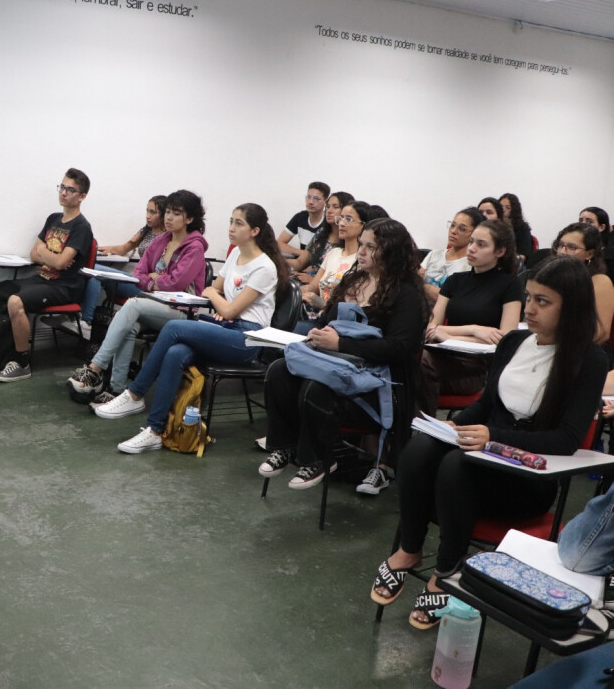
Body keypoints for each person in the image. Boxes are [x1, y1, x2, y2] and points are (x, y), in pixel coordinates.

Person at [370, 255, 606, 629]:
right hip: (484, 456)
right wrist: (447, 428)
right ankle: (409, 550)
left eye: (543, 302)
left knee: (456, 465)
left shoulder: (588, 360)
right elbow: (485, 404)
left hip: (528, 478)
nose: (530, 309)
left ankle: (446, 570)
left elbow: (566, 440)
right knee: (419, 450)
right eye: (529, 297)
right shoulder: (515, 341)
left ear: (572, 307)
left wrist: (493, 436)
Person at [92, 203, 286, 454]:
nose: (231, 227)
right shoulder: (236, 254)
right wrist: (219, 301)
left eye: (239, 223)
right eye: (231, 220)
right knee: (175, 354)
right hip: (225, 327)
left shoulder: (264, 267)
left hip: (246, 339)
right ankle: (154, 430)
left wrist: (219, 301)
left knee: (174, 327)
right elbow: (216, 290)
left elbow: (221, 302)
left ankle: (135, 394)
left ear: (255, 231)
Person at [260, 218, 425, 492]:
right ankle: (284, 447)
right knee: (279, 370)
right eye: (362, 244)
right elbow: (325, 320)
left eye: (371, 247)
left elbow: (400, 347)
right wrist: (319, 335)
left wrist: (340, 344)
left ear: (391, 251)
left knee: (317, 385)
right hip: (337, 365)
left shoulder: (406, 293)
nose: (361, 251)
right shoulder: (354, 279)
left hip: (378, 381)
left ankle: (319, 459)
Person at [67, 191, 208, 405]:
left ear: (189, 219)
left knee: (132, 305)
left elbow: (176, 284)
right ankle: (116, 390)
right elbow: (138, 274)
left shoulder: (195, 247)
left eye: (176, 213)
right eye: (168, 211)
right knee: (129, 326)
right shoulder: (160, 241)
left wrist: (154, 280)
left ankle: (95, 368)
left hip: (180, 311)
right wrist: (155, 280)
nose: (168, 217)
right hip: (153, 305)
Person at [0, 168, 95, 382]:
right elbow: (33, 254)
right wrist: (51, 257)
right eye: (62, 187)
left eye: (70, 190)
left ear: (82, 196)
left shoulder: (82, 227)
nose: (63, 193)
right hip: (39, 279)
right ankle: (5, 343)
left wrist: (46, 253)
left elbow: (60, 262)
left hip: (63, 287)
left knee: (15, 302)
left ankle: (21, 362)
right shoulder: (53, 219)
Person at [419, 220, 522, 416]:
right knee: (409, 358)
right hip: (441, 355)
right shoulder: (455, 281)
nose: (472, 248)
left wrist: (447, 334)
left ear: (500, 252)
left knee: (420, 362)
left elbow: (506, 338)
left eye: (481, 245)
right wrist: (474, 330)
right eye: (472, 242)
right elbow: (432, 329)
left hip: (475, 367)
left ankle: (422, 427)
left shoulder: (510, 285)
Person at [72, 195, 167, 336]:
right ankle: (83, 321)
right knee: (93, 273)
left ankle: (85, 321)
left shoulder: (168, 237)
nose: (148, 216)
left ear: (164, 214)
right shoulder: (146, 231)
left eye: (153, 212)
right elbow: (123, 249)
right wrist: (96, 249)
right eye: (147, 211)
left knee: (94, 270)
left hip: (147, 286)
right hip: (135, 279)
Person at [299, 200, 375, 318]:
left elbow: (354, 307)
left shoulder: (363, 260)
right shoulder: (333, 253)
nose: (341, 223)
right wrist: (303, 290)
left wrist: (323, 304)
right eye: (341, 218)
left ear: (363, 226)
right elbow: (314, 286)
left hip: (338, 321)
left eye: (348, 219)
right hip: (318, 317)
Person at [550, 222, 614, 345]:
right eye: (560, 245)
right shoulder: (552, 278)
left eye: (572, 247)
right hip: (550, 344)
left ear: (590, 254)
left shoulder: (599, 281)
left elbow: (600, 333)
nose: (563, 252)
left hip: (585, 351)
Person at [419, 207, 481, 303]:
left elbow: (452, 299)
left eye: (462, 228)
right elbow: (415, 280)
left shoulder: (471, 266)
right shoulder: (434, 254)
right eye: (452, 225)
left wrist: (424, 286)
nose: (453, 231)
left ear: (475, 233)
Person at [293, 192, 349, 285]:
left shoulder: (348, 239)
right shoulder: (321, 233)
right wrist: (277, 260)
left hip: (325, 287)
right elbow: (299, 263)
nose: (329, 211)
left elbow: (340, 280)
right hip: (308, 279)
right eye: (328, 206)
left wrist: (313, 281)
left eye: (335, 207)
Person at [278, 181, 331, 267]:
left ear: (326, 201)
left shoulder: (328, 222)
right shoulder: (300, 217)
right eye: (308, 197)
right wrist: (301, 252)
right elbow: (279, 243)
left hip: (317, 268)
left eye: (316, 198)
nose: (310, 202)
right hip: (299, 263)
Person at [578, 206, 614, 283]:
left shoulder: (610, 255)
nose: (583, 224)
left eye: (589, 221)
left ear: (601, 227)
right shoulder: (576, 249)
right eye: (580, 220)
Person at [499, 192, 534, 263]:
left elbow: (524, 254)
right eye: (500, 206)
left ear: (514, 210)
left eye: (508, 207)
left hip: (513, 264)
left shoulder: (522, 228)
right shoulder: (492, 225)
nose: (503, 210)